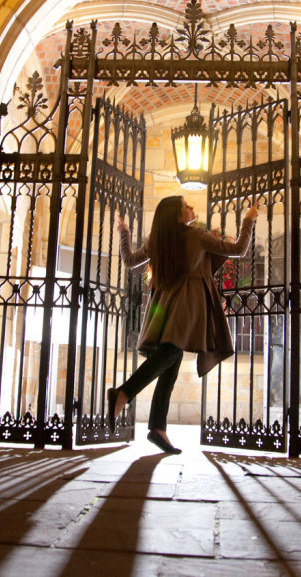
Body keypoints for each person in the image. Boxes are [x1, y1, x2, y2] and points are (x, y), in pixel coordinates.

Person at [109, 195, 260, 454]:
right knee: (171, 352)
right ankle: (123, 393)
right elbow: (239, 250)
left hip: (166, 303)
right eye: (186, 206)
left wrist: (124, 233)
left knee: (172, 358)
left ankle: (157, 428)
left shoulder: (159, 240)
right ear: (178, 215)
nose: (192, 208)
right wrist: (247, 221)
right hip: (188, 302)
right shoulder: (197, 235)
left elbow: (129, 260)